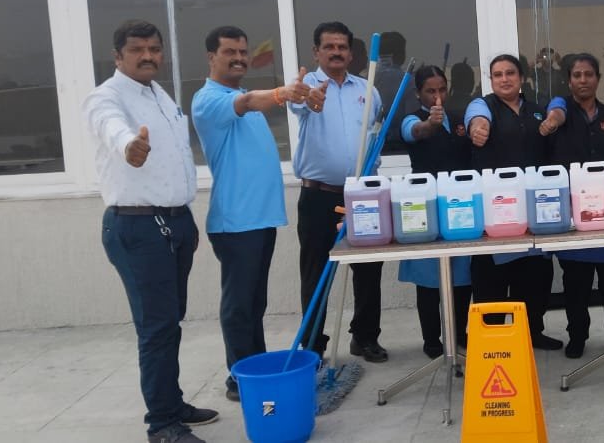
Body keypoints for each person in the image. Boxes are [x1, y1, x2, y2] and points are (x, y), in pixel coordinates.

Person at [83, 20, 218, 443]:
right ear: (117, 56)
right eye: (137, 49)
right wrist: (129, 145)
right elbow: (113, 128)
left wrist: (185, 220)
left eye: (154, 49)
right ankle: (161, 424)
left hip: (173, 222)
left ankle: (171, 403)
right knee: (157, 327)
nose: (148, 56)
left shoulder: (159, 94)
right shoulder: (106, 97)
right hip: (138, 226)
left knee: (169, 321)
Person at [192, 26, 311, 402]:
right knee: (239, 305)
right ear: (211, 57)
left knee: (254, 303)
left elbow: (248, 102)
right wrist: (280, 93)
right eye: (230, 52)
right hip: (236, 221)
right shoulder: (208, 100)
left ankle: (254, 369)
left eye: (243, 52)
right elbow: (246, 103)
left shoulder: (242, 97)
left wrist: (296, 97)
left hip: (260, 219)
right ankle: (239, 378)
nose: (239, 58)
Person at [289, 22, 388, 363]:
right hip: (320, 196)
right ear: (316, 51)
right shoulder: (307, 88)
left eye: (342, 47)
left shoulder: (368, 89)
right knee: (316, 271)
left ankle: (365, 337)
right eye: (329, 47)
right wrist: (309, 99)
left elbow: (375, 134)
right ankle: (313, 344)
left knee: (368, 269)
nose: (336, 52)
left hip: (361, 195)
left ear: (350, 52)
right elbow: (300, 105)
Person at [465, 53, 566, 350]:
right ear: (491, 79)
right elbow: (476, 118)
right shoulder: (483, 105)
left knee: (535, 276)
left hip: (534, 209)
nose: (504, 79)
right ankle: (493, 341)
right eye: (498, 74)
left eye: (510, 73)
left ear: (521, 78)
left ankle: (532, 332)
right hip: (496, 209)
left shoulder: (536, 109)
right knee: (491, 279)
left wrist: (554, 118)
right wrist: (478, 129)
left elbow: (559, 106)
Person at [546, 53, 604, 359]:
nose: (583, 80)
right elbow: (553, 118)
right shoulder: (560, 111)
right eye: (577, 75)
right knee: (576, 283)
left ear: (597, 78)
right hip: (574, 214)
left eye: (589, 74)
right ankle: (577, 337)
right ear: (569, 80)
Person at [399, 65, 474, 359]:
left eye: (442, 89)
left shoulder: (458, 119)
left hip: (459, 205)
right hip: (424, 208)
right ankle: (431, 340)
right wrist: (430, 123)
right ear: (419, 93)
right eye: (430, 91)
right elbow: (415, 132)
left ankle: (459, 334)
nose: (437, 96)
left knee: (462, 277)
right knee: (429, 280)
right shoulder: (411, 119)